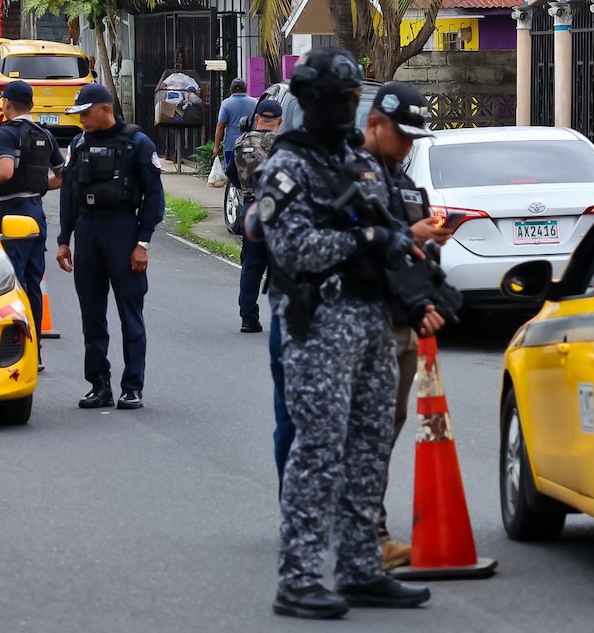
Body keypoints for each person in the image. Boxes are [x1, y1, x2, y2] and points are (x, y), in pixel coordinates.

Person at [255, 46, 444, 620]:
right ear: (311, 101)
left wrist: (416, 290)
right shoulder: (286, 166)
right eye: (334, 98)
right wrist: (366, 242)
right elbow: (294, 248)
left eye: (348, 97)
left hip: (370, 320)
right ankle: (300, 577)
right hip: (320, 322)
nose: (342, 107)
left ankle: (361, 568)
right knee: (318, 450)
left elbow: (388, 230)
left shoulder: (359, 162)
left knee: (366, 448)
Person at [362, 81, 454, 570]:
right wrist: (406, 234)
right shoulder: (352, 175)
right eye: (404, 135)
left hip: (402, 318)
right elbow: (359, 247)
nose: (410, 146)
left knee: (387, 427)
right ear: (375, 125)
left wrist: (430, 241)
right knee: (366, 429)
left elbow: (411, 253)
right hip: (364, 322)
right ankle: (362, 536)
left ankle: (370, 532)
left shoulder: (398, 178)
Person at [55, 83, 165, 410]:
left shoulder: (137, 144)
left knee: (130, 312)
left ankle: (132, 386)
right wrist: (64, 240)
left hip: (122, 230)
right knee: (91, 314)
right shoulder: (78, 143)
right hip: (87, 231)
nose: (81, 120)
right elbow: (68, 194)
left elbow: (154, 199)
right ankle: (98, 384)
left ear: (104, 109)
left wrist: (142, 243)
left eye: (85, 113)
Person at [0, 80, 64, 373]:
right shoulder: (44, 135)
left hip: (11, 214)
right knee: (33, 282)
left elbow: (5, 170)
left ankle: (18, 352)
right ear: (32, 106)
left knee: (12, 285)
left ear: (6, 104)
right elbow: (61, 176)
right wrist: (36, 188)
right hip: (36, 213)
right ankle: (34, 352)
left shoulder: (6, 133)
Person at [226, 98, 283, 334]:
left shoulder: (240, 142)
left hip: (250, 209)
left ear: (257, 118)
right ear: (280, 121)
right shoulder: (283, 144)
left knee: (251, 265)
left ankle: (248, 318)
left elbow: (231, 175)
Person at [213, 78, 257, 171]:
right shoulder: (255, 102)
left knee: (231, 171)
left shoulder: (226, 103)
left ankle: (232, 185)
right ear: (245, 89)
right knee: (249, 170)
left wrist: (216, 147)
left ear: (231, 90)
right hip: (250, 143)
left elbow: (220, 126)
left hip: (231, 145)